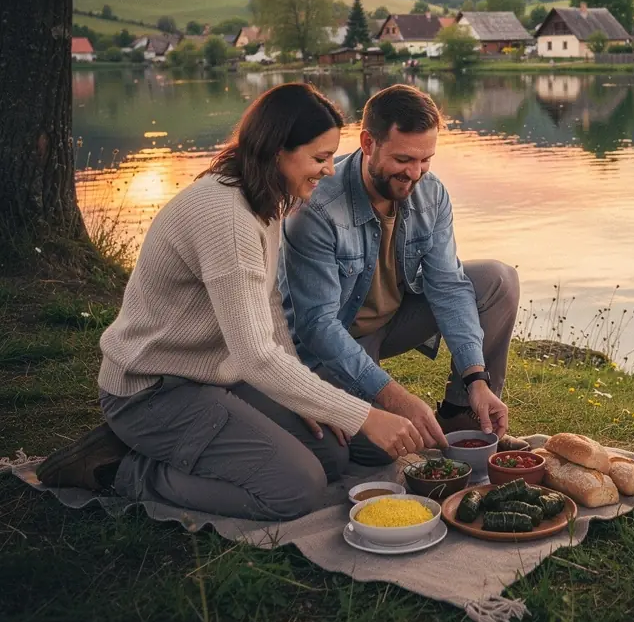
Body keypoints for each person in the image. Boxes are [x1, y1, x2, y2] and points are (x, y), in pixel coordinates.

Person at [37, 83, 425, 520]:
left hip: (216, 377)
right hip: (152, 391)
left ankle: (183, 444)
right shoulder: (226, 216)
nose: (329, 171)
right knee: (297, 489)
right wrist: (363, 415)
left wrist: (307, 400)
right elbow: (256, 357)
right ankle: (119, 467)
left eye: (332, 157)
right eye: (320, 158)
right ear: (278, 151)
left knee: (335, 455)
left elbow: (270, 310)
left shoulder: (264, 200)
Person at [279, 84, 518, 464]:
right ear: (368, 143)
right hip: (333, 342)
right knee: (376, 451)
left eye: (425, 160)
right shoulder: (316, 208)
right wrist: (394, 397)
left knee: (498, 279)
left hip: (394, 321)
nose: (415, 173)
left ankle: (462, 413)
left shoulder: (431, 192)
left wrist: (476, 377)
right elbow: (317, 326)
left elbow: (448, 285)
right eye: (403, 159)